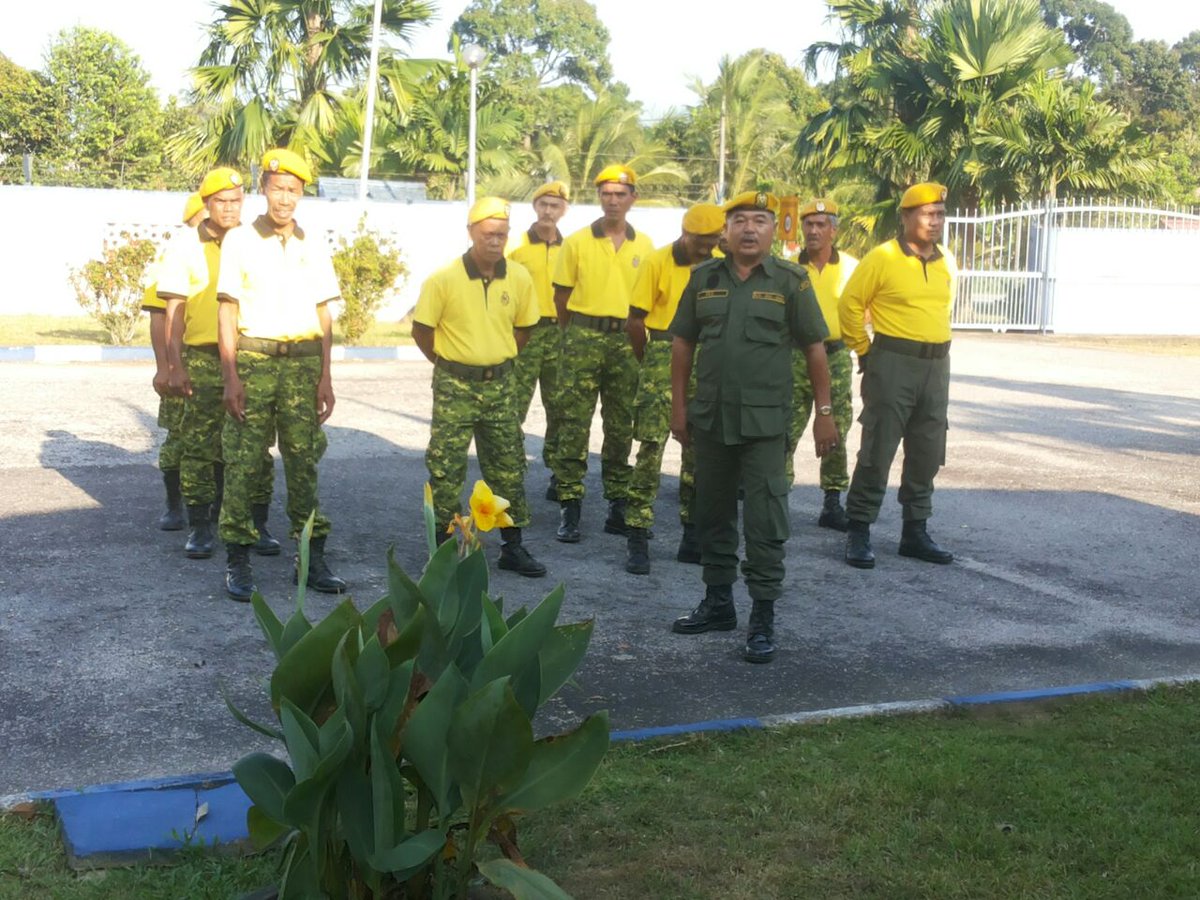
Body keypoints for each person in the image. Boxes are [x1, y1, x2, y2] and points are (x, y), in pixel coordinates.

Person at [667, 191, 836, 664]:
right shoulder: (704, 279)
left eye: (759, 220)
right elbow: (682, 344)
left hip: (764, 426)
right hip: (711, 421)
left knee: (765, 520)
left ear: (773, 229)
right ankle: (719, 603)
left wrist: (824, 415)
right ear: (725, 230)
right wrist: (678, 409)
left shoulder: (790, 280)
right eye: (739, 219)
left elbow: (815, 349)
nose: (748, 229)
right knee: (712, 514)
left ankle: (762, 615)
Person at [215, 148, 344, 601]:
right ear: (264, 188)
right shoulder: (241, 241)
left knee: (304, 463)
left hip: (304, 364)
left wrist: (326, 377)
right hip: (255, 361)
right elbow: (227, 310)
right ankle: (238, 558)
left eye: (293, 190)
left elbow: (324, 314)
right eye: (277, 188)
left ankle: (310, 558)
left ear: (302, 193)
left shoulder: (315, 244)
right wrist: (230, 375)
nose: (284, 198)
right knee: (244, 463)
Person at [412, 197, 546, 577]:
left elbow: (525, 327)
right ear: (471, 233)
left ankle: (513, 546)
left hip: (501, 385)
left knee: (508, 464)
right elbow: (422, 330)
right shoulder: (443, 280)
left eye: (501, 234)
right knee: (446, 467)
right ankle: (442, 548)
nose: (495, 241)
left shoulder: (519, 277)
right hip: (455, 384)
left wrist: (496, 358)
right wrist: (450, 361)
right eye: (488, 233)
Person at [159, 168, 280, 561]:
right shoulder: (185, 246)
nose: (229, 209)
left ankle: (255, 525)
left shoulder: (255, 241)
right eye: (220, 202)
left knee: (255, 445)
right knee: (198, 446)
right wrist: (173, 364)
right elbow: (174, 310)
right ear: (207, 204)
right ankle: (200, 527)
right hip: (203, 357)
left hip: (250, 355)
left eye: (235, 201)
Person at [839, 182, 957, 569]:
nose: (935, 221)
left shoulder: (946, 261)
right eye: (926, 214)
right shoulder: (883, 258)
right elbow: (850, 304)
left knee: (927, 449)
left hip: (937, 366)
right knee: (878, 449)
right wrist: (865, 351)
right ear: (905, 217)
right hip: (892, 360)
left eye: (939, 214)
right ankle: (858, 528)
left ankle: (915, 530)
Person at [551, 163, 655, 542]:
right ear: (599, 198)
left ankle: (616, 502)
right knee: (573, 422)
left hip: (626, 339)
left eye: (620, 194)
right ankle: (569, 504)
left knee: (621, 423)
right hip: (583, 336)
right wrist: (573, 333)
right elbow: (561, 296)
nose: (613, 201)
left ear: (633, 199)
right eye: (606, 194)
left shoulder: (644, 245)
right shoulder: (577, 241)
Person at [623, 202, 724, 574]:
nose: (708, 245)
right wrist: (649, 360)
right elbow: (636, 321)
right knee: (651, 446)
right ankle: (637, 531)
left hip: (707, 356)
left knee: (698, 448)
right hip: (663, 350)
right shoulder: (657, 261)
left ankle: (692, 532)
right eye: (703, 239)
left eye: (714, 239)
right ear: (686, 234)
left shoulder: (718, 265)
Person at [784, 199, 858, 531]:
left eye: (821, 224)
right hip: (794, 356)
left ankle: (832, 500)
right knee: (784, 428)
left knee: (836, 428)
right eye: (808, 224)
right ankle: (777, 497)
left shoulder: (852, 268)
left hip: (835, 357)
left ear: (834, 229)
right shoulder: (786, 268)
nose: (813, 230)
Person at [142, 192, 204, 531]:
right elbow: (157, 316)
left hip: (219, 362)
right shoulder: (176, 255)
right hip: (183, 361)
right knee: (178, 436)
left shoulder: (232, 253)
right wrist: (164, 366)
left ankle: (214, 506)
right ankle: (174, 504)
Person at [508, 181, 570, 502]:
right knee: (513, 405)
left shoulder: (570, 248)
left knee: (560, 407)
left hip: (559, 335)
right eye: (544, 204)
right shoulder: (516, 246)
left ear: (564, 211)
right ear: (534, 206)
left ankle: (560, 473)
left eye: (555, 206)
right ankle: (511, 471)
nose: (549, 211)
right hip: (525, 332)